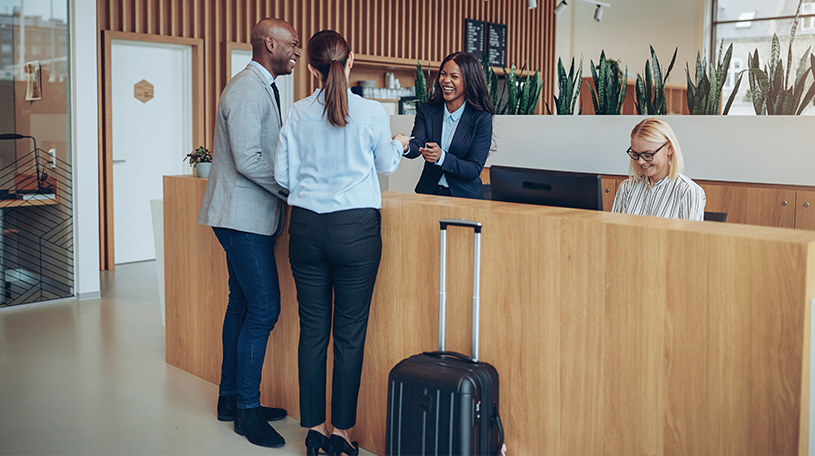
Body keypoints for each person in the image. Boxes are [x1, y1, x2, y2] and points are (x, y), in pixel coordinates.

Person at [274, 30, 408, 456]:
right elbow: (386, 165)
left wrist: (312, 187)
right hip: (356, 232)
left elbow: (281, 176)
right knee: (350, 336)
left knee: (312, 332)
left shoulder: (296, 113)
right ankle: (342, 436)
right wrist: (398, 146)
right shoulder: (371, 112)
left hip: (307, 230)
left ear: (311, 68)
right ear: (349, 63)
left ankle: (313, 432)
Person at [197, 17, 300, 449]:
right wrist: (291, 188)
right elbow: (248, 159)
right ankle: (248, 412)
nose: (295, 51)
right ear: (269, 43)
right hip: (241, 220)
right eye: (291, 44)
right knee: (263, 310)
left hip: (249, 218)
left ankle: (230, 400)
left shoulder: (262, 88)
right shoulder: (244, 89)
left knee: (240, 306)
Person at [403, 51, 494, 198]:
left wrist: (442, 158)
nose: (446, 80)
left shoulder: (481, 118)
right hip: (429, 193)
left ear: (469, 81)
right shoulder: (427, 110)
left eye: (454, 76)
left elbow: (474, 168)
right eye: (443, 74)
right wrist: (404, 146)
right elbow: (417, 144)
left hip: (464, 197)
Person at [612, 117, 706, 220]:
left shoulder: (688, 191)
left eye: (647, 155)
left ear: (669, 149)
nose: (640, 161)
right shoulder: (626, 188)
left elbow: (690, 236)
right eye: (635, 154)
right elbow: (613, 232)